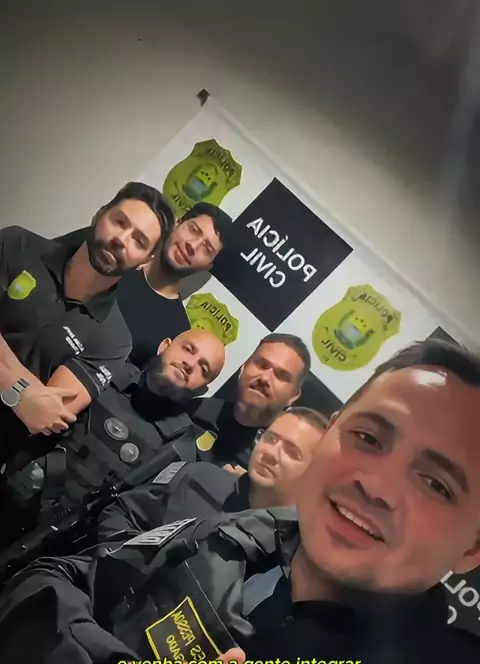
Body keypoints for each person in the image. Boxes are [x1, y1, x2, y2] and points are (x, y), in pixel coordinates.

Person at [2, 338, 480, 664]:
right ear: (333, 430)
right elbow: (46, 583)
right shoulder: (235, 534)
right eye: (368, 437)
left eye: (436, 484)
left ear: (474, 546)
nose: (376, 486)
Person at [0, 328, 225, 571]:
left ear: (203, 390)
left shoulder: (181, 449)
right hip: (11, 495)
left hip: (50, 555)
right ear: (165, 346)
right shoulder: (103, 371)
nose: (190, 364)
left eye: (204, 369)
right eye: (188, 349)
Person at [0, 181, 168, 462]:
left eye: (139, 241)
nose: (121, 239)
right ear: (100, 214)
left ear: (145, 260)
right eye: (119, 222)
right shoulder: (18, 245)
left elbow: (44, 417)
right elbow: (31, 402)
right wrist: (20, 393)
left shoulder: (114, 340)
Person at [96, 406, 327, 542]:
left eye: (291, 452)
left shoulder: (292, 550)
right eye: (270, 438)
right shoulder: (196, 477)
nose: (271, 453)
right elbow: (122, 514)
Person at [56, 202, 233, 369]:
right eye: (193, 230)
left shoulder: (177, 333)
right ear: (177, 223)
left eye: (207, 248)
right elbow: (44, 261)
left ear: (208, 266)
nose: (192, 246)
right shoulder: (113, 248)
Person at [189, 332, 311, 469]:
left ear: (293, 395)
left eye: (281, 375)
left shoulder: (273, 467)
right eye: (261, 365)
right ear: (244, 367)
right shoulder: (195, 410)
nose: (265, 378)